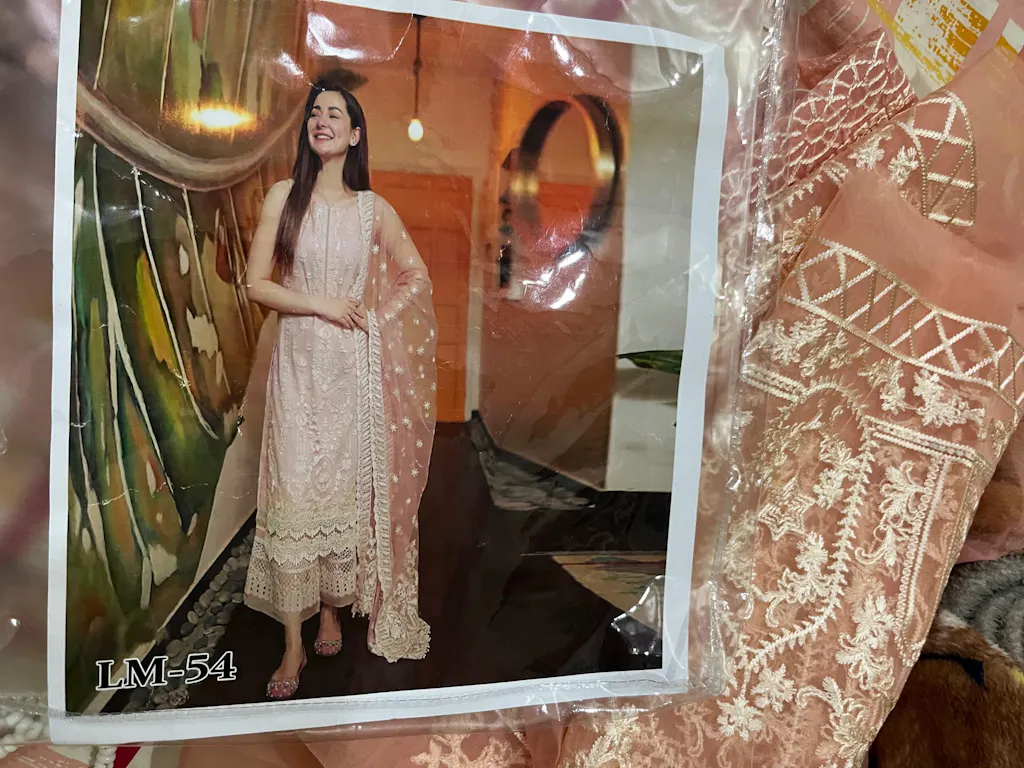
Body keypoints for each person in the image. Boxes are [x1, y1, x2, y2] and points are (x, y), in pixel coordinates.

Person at [242, 74, 437, 700]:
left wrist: (377, 322)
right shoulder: (284, 196)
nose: (321, 120)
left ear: (354, 135)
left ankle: (331, 610)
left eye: (335, 113)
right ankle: (293, 641)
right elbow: (255, 284)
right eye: (314, 112)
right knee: (294, 491)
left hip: (352, 371)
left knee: (339, 494)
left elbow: (415, 275)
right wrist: (322, 304)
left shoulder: (373, 209)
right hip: (298, 367)